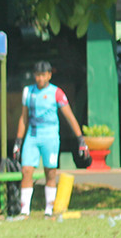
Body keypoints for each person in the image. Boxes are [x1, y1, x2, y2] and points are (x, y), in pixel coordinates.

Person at [13, 60, 89, 217]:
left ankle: (49, 209)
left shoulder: (57, 93)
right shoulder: (28, 92)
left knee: (50, 171)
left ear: (49, 75)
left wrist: (80, 139)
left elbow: (69, 116)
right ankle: (24, 210)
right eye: (37, 75)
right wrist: (18, 141)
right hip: (32, 135)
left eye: (43, 75)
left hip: (50, 136)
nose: (40, 79)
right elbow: (24, 117)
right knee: (26, 170)